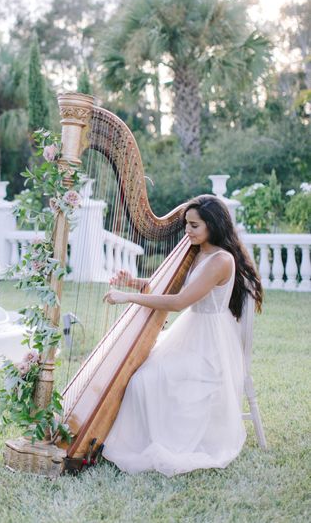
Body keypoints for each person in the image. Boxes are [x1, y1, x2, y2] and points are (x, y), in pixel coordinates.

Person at [101, 194, 263, 477]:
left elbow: (178, 302)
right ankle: (150, 437)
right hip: (192, 334)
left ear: (213, 225)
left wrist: (128, 297)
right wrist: (134, 282)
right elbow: (174, 287)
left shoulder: (220, 260)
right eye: (187, 225)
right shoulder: (198, 252)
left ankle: (160, 441)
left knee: (145, 379)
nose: (187, 231)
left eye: (194, 225)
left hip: (209, 347)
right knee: (142, 374)